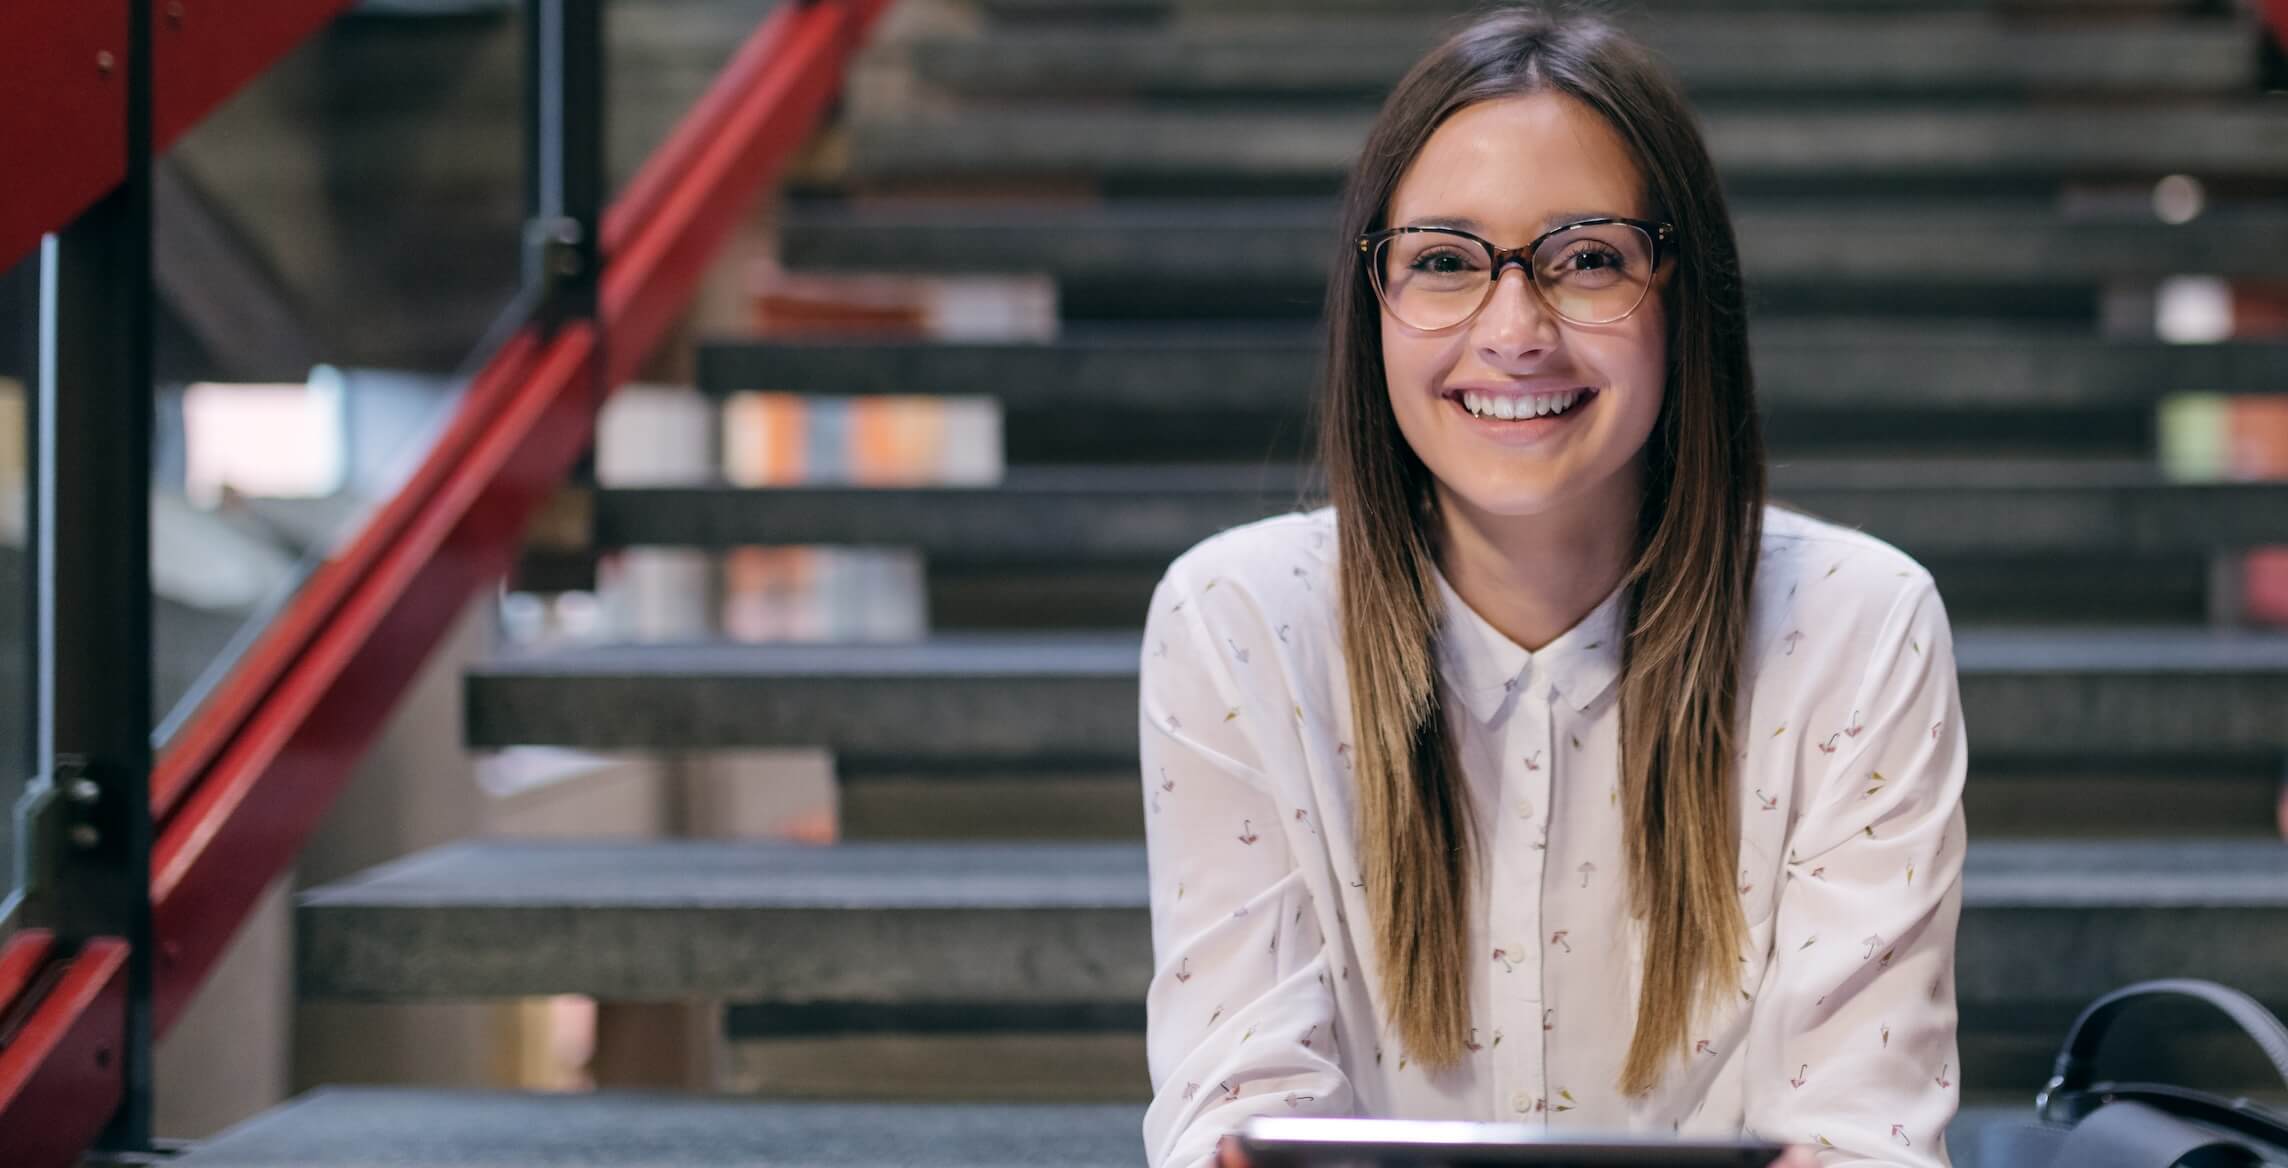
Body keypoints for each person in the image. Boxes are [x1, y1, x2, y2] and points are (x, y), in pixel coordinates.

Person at [1136, 6, 1968, 1167]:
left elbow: (1860, 1130)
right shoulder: (1235, 624)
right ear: (1371, 299)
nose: (1514, 330)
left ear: (1684, 291)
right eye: (1442, 261)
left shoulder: (1855, 626)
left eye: (1585, 259)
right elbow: (1234, 1095)